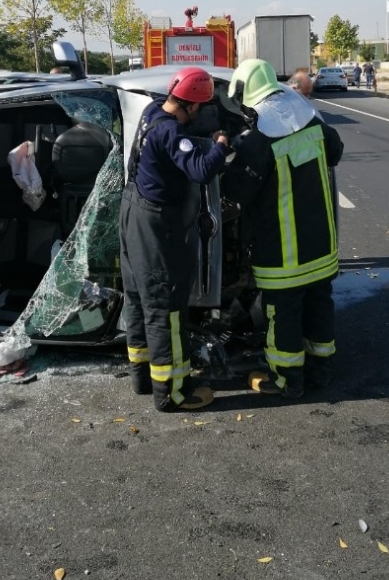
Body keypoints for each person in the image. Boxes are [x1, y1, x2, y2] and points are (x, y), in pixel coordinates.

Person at [223, 59, 344, 399]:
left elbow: (236, 192)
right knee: (320, 305)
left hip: (284, 251)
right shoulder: (313, 122)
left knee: (284, 314)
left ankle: (287, 380)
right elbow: (336, 152)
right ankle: (321, 371)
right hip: (321, 245)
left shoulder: (259, 139)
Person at [119, 66, 229, 412]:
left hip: (132, 210)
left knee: (138, 298)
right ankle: (172, 392)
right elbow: (199, 170)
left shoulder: (152, 111)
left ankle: (142, 377)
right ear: (194, 107)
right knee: (166, 308)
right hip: (155, 222)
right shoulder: (171, 133)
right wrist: (220, 146)